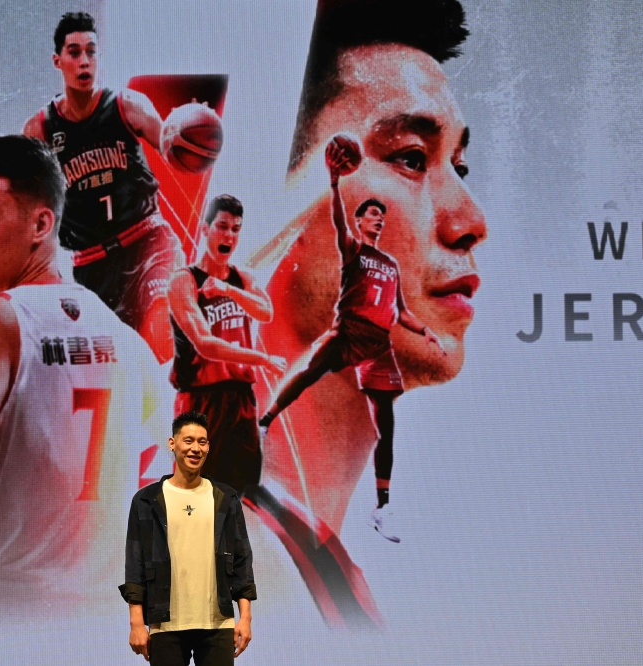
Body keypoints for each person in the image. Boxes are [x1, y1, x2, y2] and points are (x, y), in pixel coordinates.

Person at [243, 0, 486, 626]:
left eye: (458, 166)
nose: (469, 223)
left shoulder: (325, 576)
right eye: (410, 157)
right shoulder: (226, 563)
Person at [0, 135, 165, 629]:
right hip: (98, 619)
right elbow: (147, 457)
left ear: (41, 223)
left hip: (11, 611)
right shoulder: (123, 336)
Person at [259, 139, 445, 541]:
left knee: (386, 426)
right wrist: (334, 181)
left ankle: (382, 506)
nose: (377, 220)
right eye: (371, 215)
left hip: (378, 344)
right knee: (307, 373)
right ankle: (265, 423)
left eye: (381, 217)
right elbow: (339, 219)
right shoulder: (353, 248)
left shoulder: (388, 265)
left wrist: (425, 331)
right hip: (347, 332)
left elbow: (400, 313)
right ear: (361, 223)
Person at [24, 11, 191, 364]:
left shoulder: (126, 107)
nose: (84, 61)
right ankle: (160, 417)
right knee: (122, 372)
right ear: (58, 61)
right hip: (92, 266)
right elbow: (25, 206)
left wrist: (191, 139)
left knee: (162, 332)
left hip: (148, 244)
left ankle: (192, 419)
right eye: (74, 52)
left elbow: (172, 147)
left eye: (91, 51)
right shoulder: (39, 130)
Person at [168, 195, 287, 495]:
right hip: (200, 401)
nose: (229, 236)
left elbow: (266, 311)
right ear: (205, 230)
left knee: (241, 494)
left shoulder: (241, 279)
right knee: (194, 496)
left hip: (241, 401)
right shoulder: (184, 282)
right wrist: (261, 358)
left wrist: (228, 291)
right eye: (222, 227)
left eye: (236, 229)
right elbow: (206, 345)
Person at [120, 411, 256, 665]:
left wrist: (245, 618)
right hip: (166, 624)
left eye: (202, 442)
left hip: (218, 624)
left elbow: (241, 561)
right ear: (173, 443)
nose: (196, 449)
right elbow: (135, 564)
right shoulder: (147, 500)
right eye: (188, 440)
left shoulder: (225, 499)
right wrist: (136, 622)